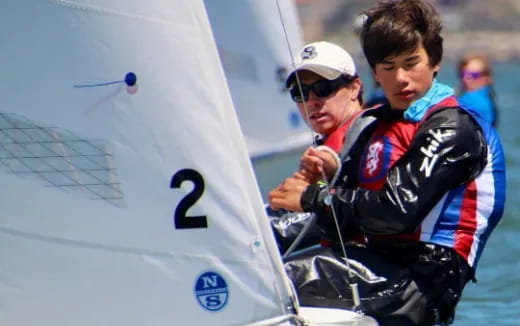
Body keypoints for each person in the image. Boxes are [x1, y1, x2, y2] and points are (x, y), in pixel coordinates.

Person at [268, 1, 506, 325]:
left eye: (411, 63)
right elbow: (346, 205)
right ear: (375, 72)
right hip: (373, 266)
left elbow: (395, 213)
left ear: (434, 62)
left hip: (420, 282)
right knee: (261, 270)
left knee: (271, 282)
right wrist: (323, 178)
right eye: (388, 67)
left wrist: (311, 198)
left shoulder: (453, 127)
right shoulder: (378, 124)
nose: (401, 78)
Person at [267, 41, 364, 253]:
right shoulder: (329, 139)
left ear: (354, 88)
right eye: (300, 93)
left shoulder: (366, 133)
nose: (311, 101)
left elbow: (334, 159)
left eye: (323, 88)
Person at [457, 53, 499, 127]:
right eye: (464, 74)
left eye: (474, 75)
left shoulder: (472, 100)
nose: (466, 78)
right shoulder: (489, 97)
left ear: (486, 78)